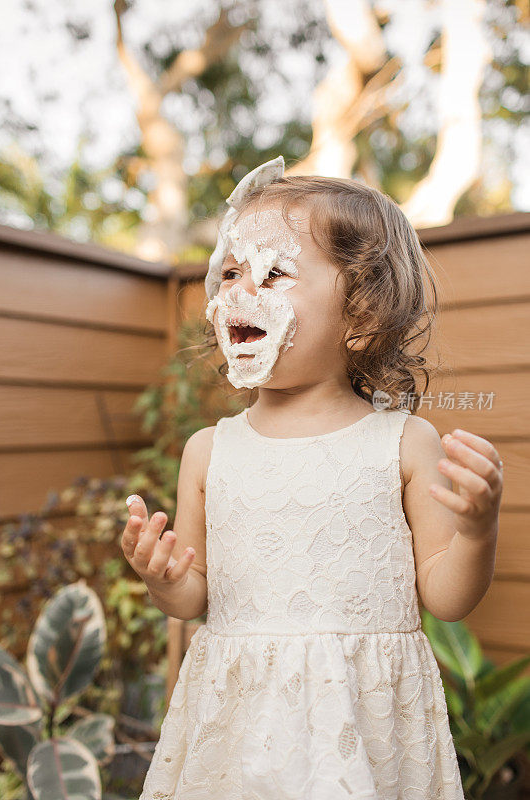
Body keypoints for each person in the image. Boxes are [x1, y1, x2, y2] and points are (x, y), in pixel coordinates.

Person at [122, 156, 503, 799]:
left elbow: (446, 597)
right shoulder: (208, 452)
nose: (242, 290)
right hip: (239, 724)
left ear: (361, 318)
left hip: (362, 722)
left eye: (274, 273)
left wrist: (476, 531)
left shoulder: (404, 443)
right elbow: (194, 600)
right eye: (234, 270)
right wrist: (165, 577)